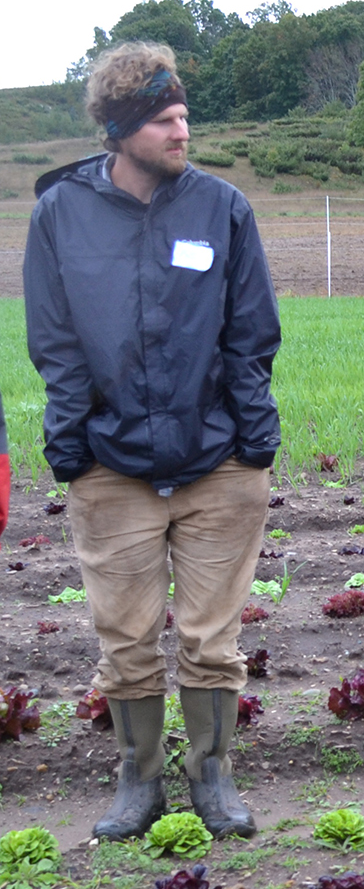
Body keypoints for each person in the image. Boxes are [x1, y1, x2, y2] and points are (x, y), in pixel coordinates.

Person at [24, 42, 280, 841]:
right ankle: (139, 782)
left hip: (218, 464)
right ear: (122, 127)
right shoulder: (60, 214)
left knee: (212, 640)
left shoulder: (221, 208)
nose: (184, 130)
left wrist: (253, 443)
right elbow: (55, 343)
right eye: (167, 118)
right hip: (110, 468)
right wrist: (72, 450)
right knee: (126, 641)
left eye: (184, 115)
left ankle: (212, 778)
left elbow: (251, 334)